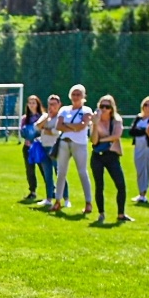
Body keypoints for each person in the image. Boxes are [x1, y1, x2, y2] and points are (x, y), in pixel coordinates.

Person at [88, 95, 131, 224]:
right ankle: (101, 214)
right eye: (102, 106)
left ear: (112, 108)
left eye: (107, 107)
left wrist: (102, 140)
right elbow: (93, 140)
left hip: (111, 155)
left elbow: (116, 136)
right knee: (99, 185)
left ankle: (121, 214)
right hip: (97, 156)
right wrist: (95, 125)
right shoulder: (95, 121)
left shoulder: (116, 120)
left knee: (121, 185)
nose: (104, 109)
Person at [52, 85, 94, 214]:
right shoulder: (64, 110)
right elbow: (58, 126)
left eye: (78, 94)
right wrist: (73, 127)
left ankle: (88, 202)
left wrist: (68, 125)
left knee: (82, 172)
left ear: (83, 96)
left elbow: (82, 126)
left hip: (79, 143)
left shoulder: (86, 110)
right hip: (64, 143)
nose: (76, 97)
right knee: (61, 172)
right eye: (74, 94)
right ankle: (58, 200)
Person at [129, 96, 149, 204]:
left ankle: (143, 194)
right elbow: (132, 131)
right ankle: (141, 192)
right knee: (139, 169)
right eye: (146, 104)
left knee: (148, 169)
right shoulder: (138, 118)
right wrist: (144, 131)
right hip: (138, 146)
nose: (147, 107)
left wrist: (142, 131)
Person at [33, 95, 60, 207]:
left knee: (60, 174)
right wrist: (46, 118)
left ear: (59, 105)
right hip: (44, 147)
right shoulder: (45, 116)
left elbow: (56, 132)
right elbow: (36, 127)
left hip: (56, 148)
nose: (51, 106)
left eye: (54, 104)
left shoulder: (60, 117)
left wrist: (45, 129)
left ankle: (64, 198)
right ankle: (49, 198)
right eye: (49, 104)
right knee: (47, 175)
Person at [17, 94, 45, 201]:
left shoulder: (42, 116)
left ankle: (51, 190)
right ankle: (32, 191)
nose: (32, 105)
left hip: (40, 147)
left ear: (38, 104)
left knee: (44, 169)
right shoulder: (25, 118)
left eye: (34, 103)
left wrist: (34, 132)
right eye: (30, 103)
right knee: (30, 170)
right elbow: (23, 132)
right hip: (28, 147)